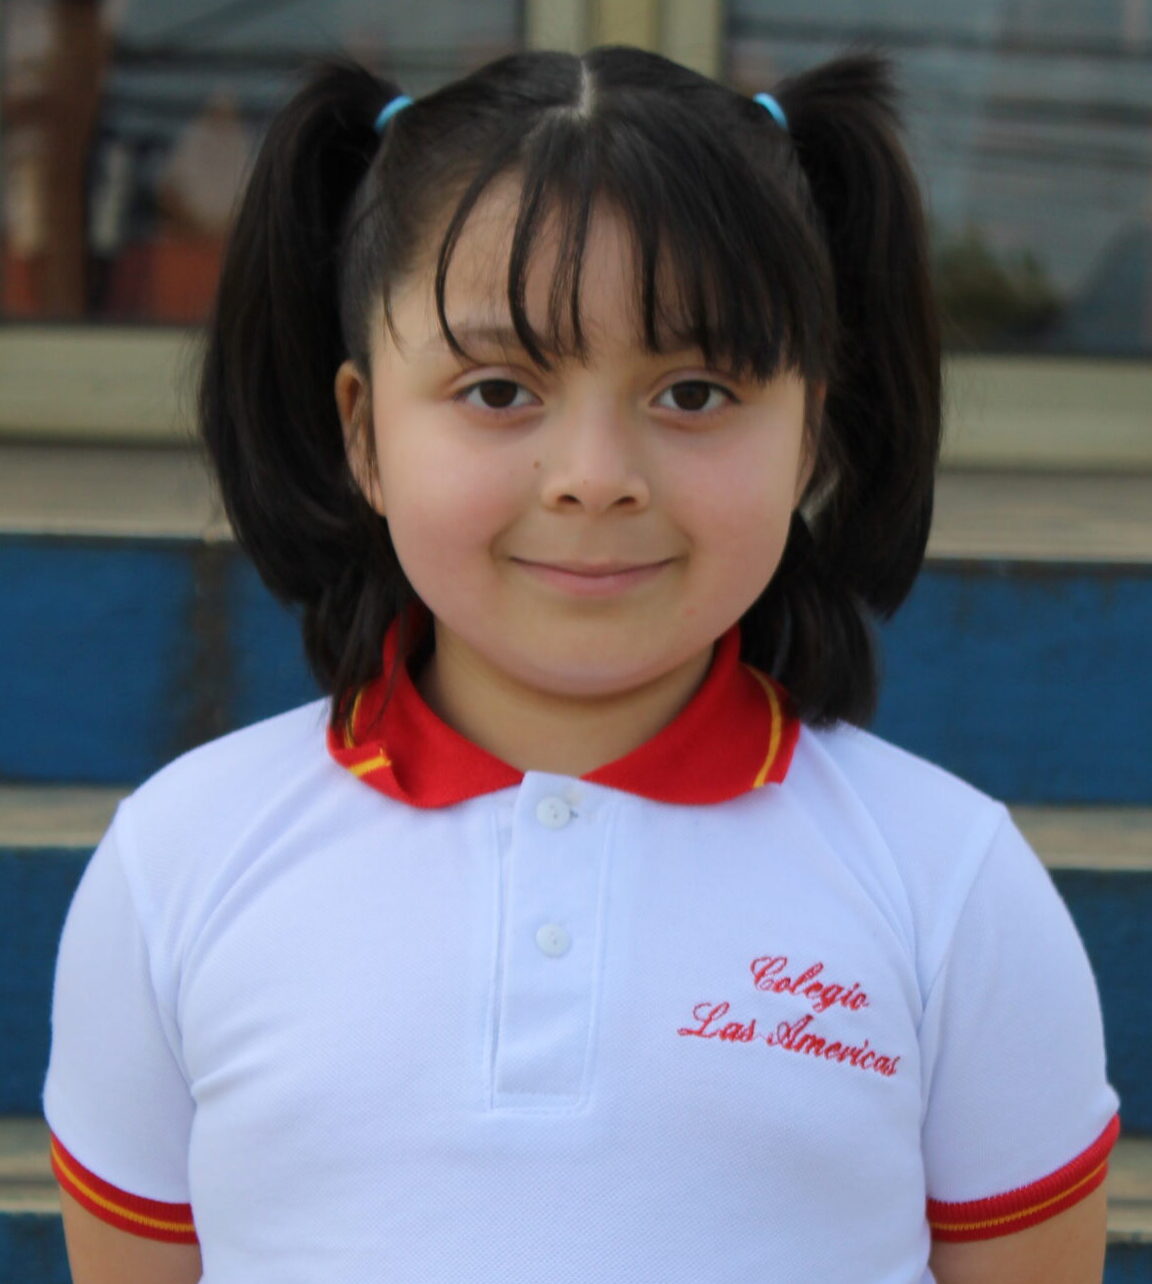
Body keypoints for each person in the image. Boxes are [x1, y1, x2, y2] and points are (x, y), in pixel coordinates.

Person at [44, 45, 1118, 1284]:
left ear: (811, 435)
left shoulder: (950, 885)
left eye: (695, 392)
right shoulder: (179, 863)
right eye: (498, 389)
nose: (594, 477)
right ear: (365, 433)